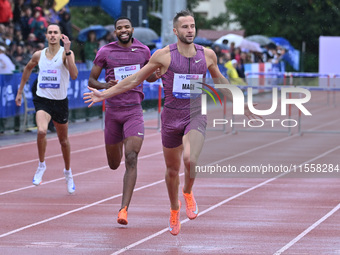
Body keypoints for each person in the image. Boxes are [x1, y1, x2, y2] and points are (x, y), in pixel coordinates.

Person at [84, 10, 258, 235]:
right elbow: (135, 79)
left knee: (190, 158)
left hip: (195, 114)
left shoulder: (208, 55)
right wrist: (104, 94)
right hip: (171, 118)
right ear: (175, 31)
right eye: (185, 27)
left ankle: (187, 191)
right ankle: (174, 208)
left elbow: (221, 81)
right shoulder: (163, 55)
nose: (190, 30)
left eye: (192, 26)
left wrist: (240, 101)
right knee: (172, 170)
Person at [88, 17, 160, 225]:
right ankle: (119, 139)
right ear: (115, 32)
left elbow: (149, 77)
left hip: (133, 111)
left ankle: (123, 209)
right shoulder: (105, 52)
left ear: (132, 29)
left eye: (126, 27)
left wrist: (158, 73)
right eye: (119, 28)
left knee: (131, 158)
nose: (123, 30)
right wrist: (104, 85)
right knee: (113, 164)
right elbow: (91, 80)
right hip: (112, 111)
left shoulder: (144, 51)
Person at [15, 24, 78, 194]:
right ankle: (41, 165)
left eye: (55, 33)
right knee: (41, 131)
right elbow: (28, 68)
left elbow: (74, 75)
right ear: (46, 36)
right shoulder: (39, 55)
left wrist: (68, 52)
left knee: (63, 141)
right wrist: (20, 91)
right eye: (49, 32)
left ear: (60, 36)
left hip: (60, 102)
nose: (52, 35)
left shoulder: (65, 55)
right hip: (42, 99)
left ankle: (68, 172)